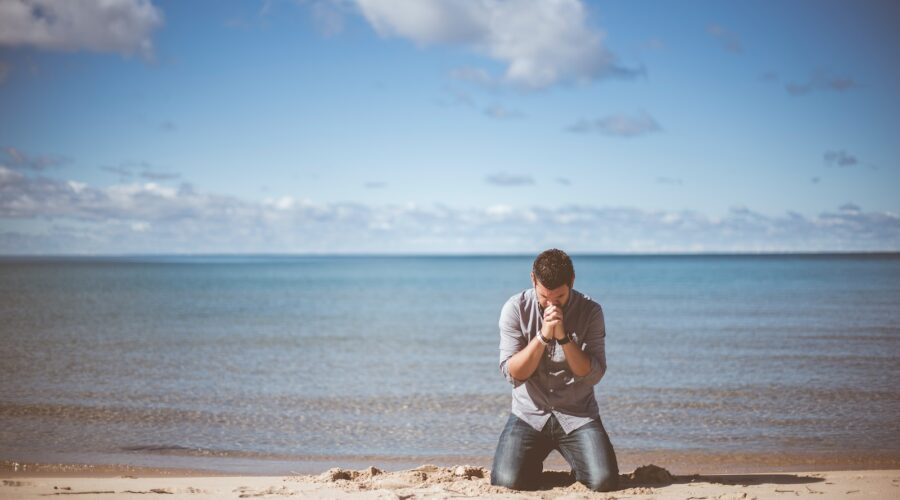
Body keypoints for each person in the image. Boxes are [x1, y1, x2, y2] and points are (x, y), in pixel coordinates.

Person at [490, 248, 618, 492]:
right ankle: (530, 465)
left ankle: (579, 464)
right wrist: (542, 336)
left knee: (604, 482)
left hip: (578, 414)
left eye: (558, 297)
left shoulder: (591, 311)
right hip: (529, 414)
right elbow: (513, 373)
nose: (551, 304)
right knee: (505, 483)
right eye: (544, 296)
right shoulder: (515, 308)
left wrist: (563, 338)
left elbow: (593, 375)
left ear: (571, 281)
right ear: (533, 280)